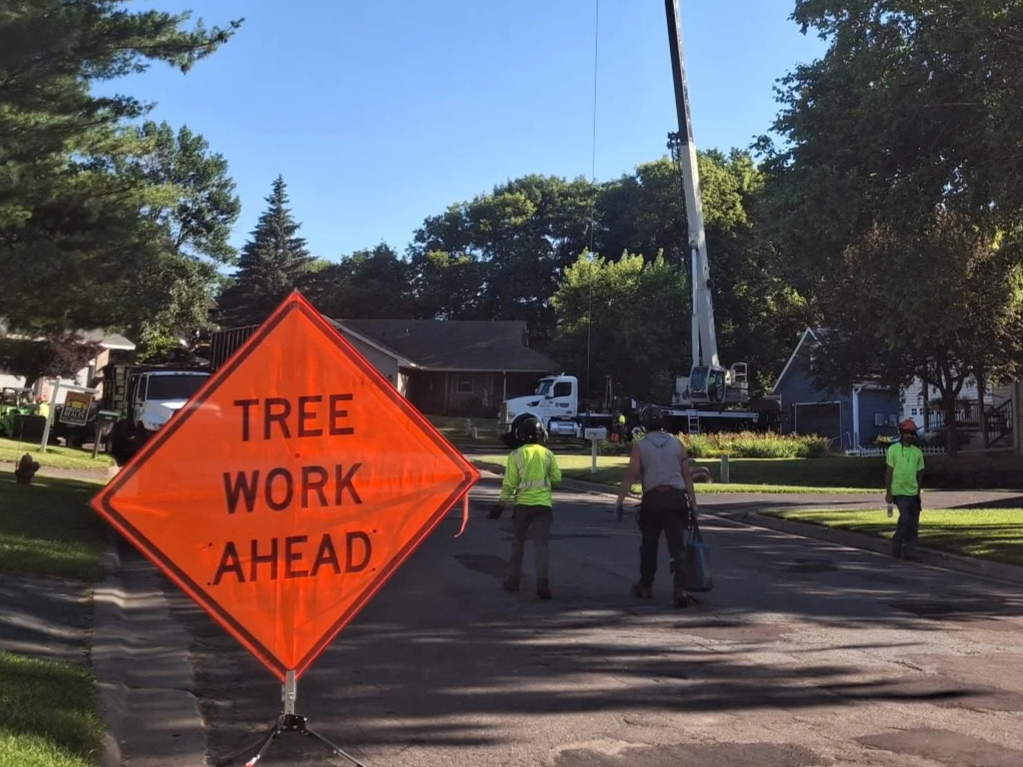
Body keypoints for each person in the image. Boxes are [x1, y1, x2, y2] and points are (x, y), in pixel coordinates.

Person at [613, 405, 698, 608]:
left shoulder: (641, 447)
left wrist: (620, 500)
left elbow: (630, 475)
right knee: (677, 547)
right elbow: (687, 476)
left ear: (644, 425)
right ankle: (680, 589)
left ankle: (646, 585)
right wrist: (694, 504)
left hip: (653, 501)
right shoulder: (677, 445)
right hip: (676, 499)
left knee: (649, 545)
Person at [489, 416, 562, 600]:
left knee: (518, 543)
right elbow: (557, 479)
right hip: (544, 507)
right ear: (541, 434)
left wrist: (501, 504)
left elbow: (509, 484)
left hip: (522, 506)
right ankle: (543, 583)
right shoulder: (548, 454)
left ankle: (513, 581)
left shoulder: (515, 455)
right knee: (541, 545)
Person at [886, 419, 926, 561]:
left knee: (914, 522)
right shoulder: (893, 450)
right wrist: (888, 492)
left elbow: (920, 473)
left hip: (913, 492)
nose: (909, 436)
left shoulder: (918, 453)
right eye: (906, 433)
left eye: (911, 433)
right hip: (899, 491)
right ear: (901, 433)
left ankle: (910, 550)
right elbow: (889, 471)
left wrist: (918, 492)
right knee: (905, 518)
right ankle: (898, 539)